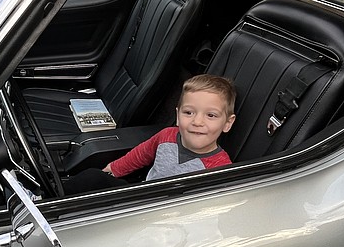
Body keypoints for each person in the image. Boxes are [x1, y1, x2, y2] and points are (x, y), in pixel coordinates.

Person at [66, 75, 237, 193]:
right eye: (189, 113)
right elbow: (139, 155)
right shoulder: (167, 136)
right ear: (177, 116)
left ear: (227, 123)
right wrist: (111, 170)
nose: (197, 122)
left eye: (211, 115)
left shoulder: (221, 167)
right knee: (92, 178)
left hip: (167, 217)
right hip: (142, 195)